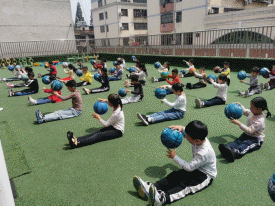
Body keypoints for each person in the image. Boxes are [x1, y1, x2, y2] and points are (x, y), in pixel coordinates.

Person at [133, 120, 217, 205]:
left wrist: (174, 157)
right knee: (175, 175)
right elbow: (188, 134)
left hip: (205, 176)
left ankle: (162, 198)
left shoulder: (204, 153)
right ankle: (151, 187)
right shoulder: (199, 138)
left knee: (185, 185)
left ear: (196, 141)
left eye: (187, 136)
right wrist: (181, 128)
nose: (185, 136)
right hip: (196, 167)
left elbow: (189, 167)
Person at [219, 97, 271, 162]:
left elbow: (250, 130)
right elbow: (245, 111)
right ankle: (228, 148)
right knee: (238, 141)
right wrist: (240, 106)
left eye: (252, 107)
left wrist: (239, 123)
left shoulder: (260, 121)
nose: (250, 108)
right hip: (246, 135)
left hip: (255, 139)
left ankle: (235, 153)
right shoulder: (253, 112)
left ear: (259, 109)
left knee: (245, 145)